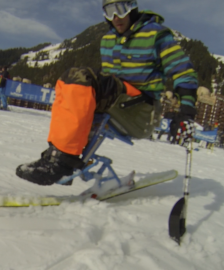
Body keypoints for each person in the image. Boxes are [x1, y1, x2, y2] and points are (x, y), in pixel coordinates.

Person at [16, 0, 198, 186]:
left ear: (132, 8)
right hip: (118, 103)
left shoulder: (156, 34)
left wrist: (186, 112)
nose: (116, 17)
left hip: (142, 111)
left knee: (80, 77)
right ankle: (56, 155)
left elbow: (184, 71)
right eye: (109, 11)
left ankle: (62, 161)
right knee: (67, 82)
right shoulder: (108, 40)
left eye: (120, 9)